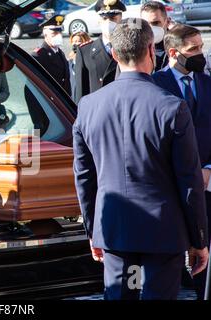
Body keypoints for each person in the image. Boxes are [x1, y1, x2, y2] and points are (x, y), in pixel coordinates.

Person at [73, 18, 209, 300]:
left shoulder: (88, 106)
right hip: (162, 231)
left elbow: (84, 177)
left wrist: (92, 229)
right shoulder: (171, 107)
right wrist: (199, 239)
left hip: (112, 227)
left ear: (114, 54)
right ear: (151, 50)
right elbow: (189, 180)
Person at [152, 24, 211, 300]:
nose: (201, 54)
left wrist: (208, 169)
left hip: (206, 188)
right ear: (174, 53)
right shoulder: (155, 85)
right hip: (171, 189)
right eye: (194, 49)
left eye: (201, 46)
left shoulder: (208, 82)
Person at [74, 0, 126, 103]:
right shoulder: (85, 51)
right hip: (97, 110)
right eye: (104, 19)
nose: (108, 23)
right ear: (99, 21)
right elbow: (81, 92)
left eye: (113, 19)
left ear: (121, 20)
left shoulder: (130, 48)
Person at [32, 15, 71, 96]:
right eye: (54, 33)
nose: (58, 36)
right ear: (45, 34)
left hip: (63, 99)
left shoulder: (60, 52)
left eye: (60, 32)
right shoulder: (39, 55)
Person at [140, 1, 169, 71]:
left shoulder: (178, 48)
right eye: (145, 24)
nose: (150, 28)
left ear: (166, 21)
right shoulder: (136, 49)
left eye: (155, 23)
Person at [68, 32, 91, 101]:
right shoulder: (70, 60)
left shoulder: (89, 59)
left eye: (79, 41)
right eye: (74, 41)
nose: (76, 44)